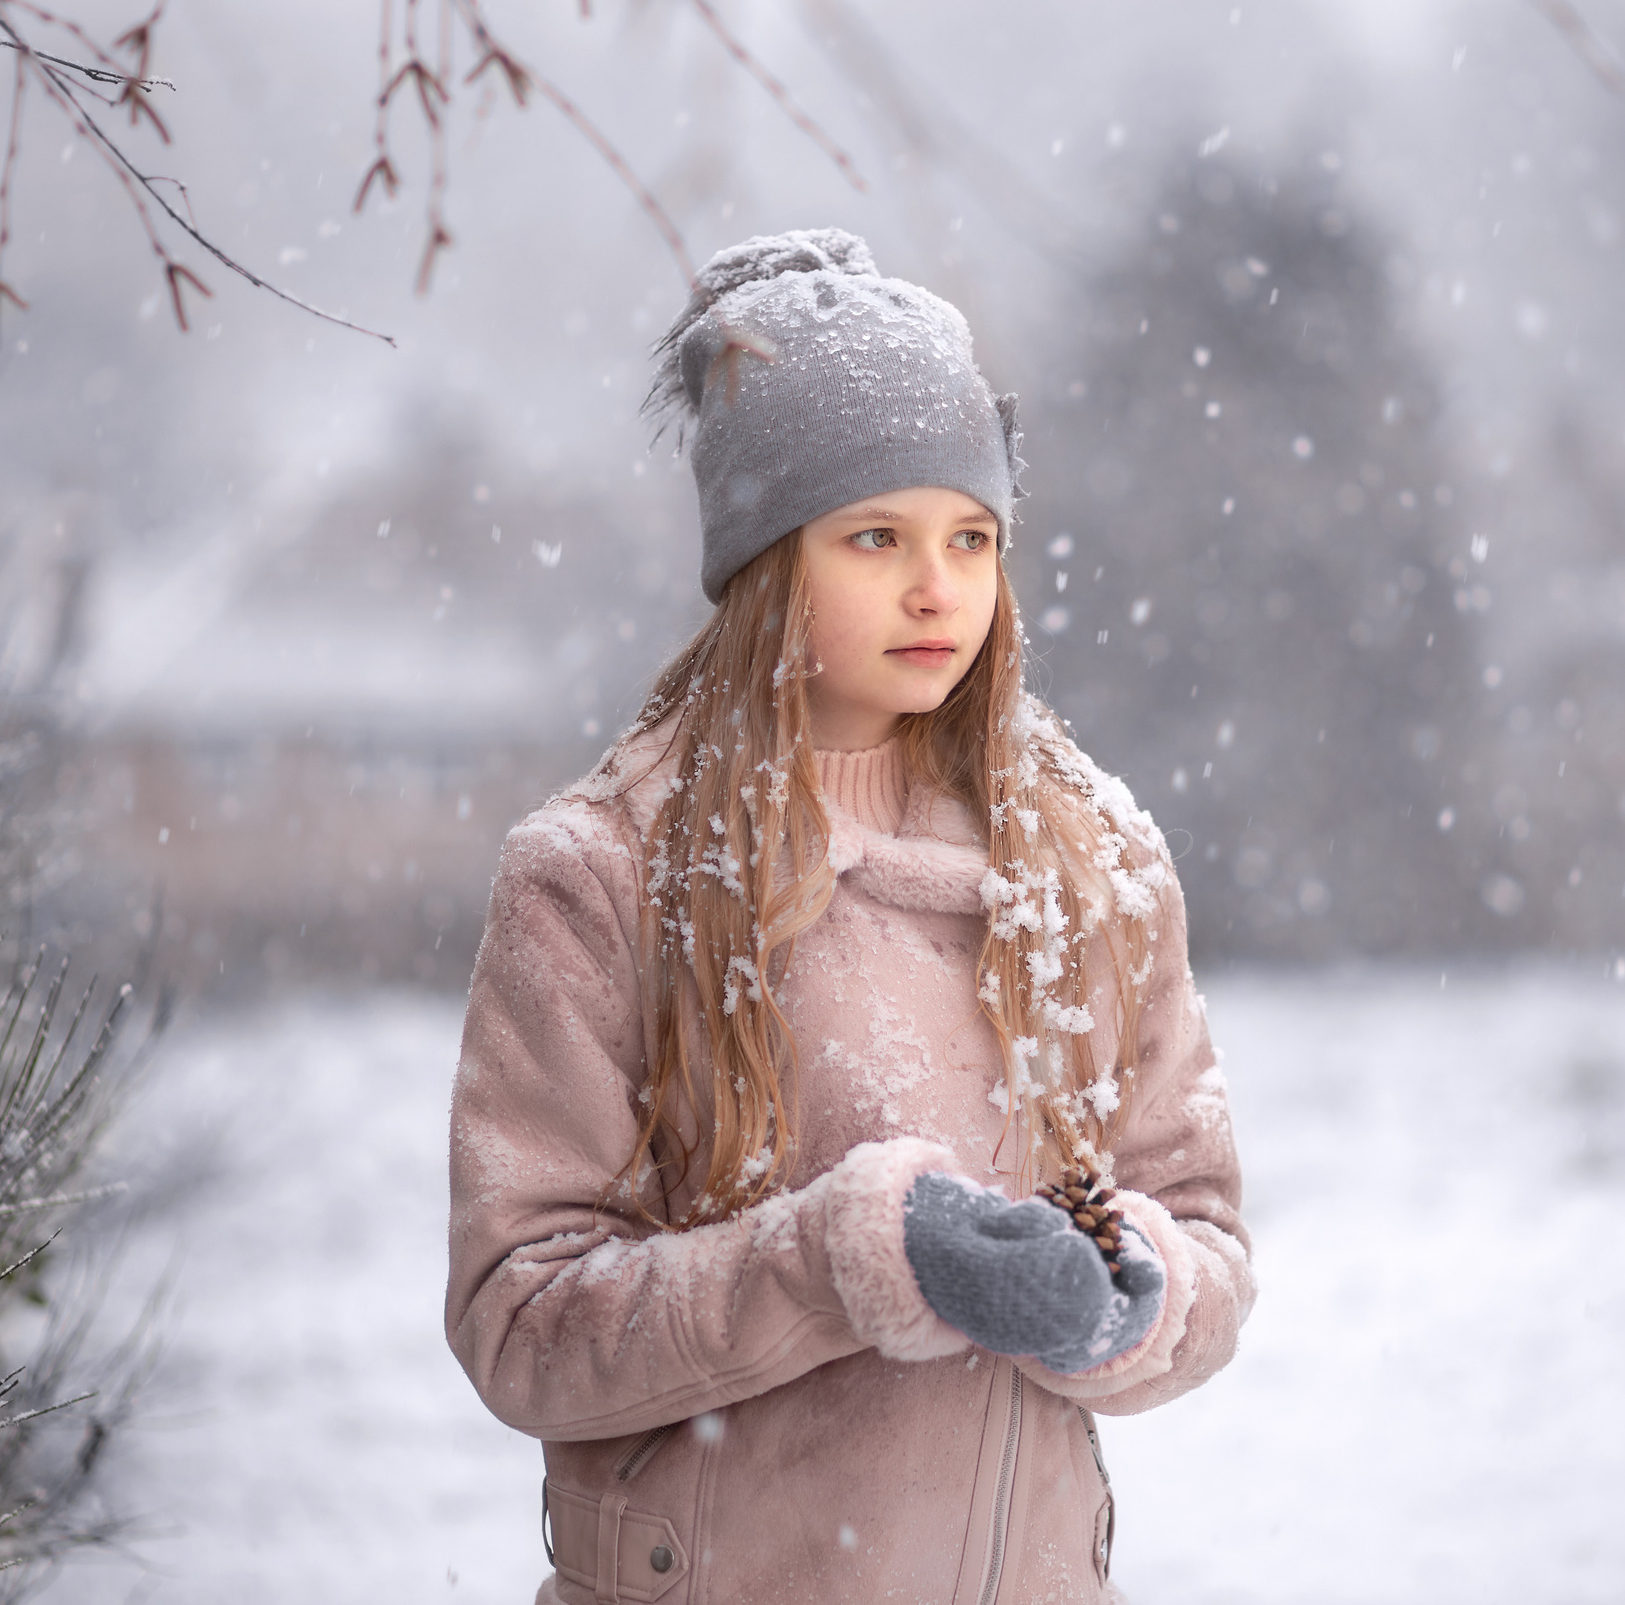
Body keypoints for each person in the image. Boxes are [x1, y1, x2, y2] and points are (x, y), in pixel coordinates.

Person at [446, 228, 1250, 1603]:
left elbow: (1204, 1231)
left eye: (972, 536)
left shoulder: (1091, 862)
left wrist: (1121, 1289)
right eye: (875, 536)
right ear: (766, 567)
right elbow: (524, 1320)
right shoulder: (603, 877)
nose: (939, 587)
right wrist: (844, 1260)